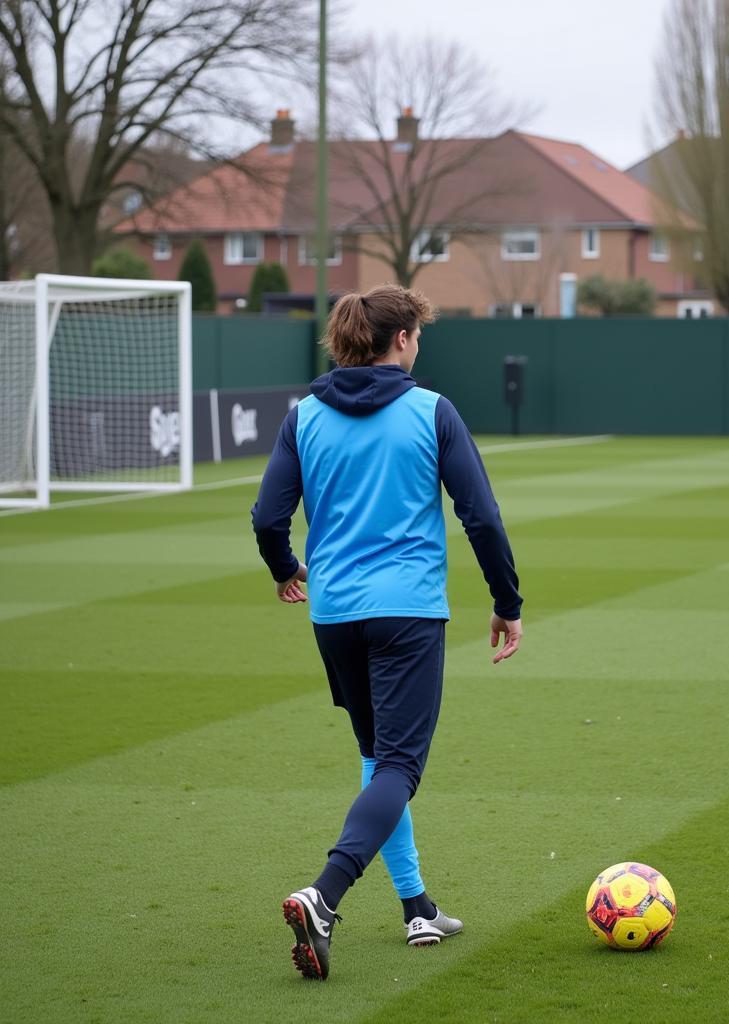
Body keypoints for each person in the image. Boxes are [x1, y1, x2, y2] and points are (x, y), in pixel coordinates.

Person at [251, 284, 523, 981]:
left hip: (334, 613)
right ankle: (324, 894)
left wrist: (285, 567)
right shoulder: (432, 411)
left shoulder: (304, 416)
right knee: (400, 767)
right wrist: (506, 600)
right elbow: (482, 517)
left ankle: (417, 909)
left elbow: (267, 516)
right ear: (401, 340)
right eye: (419, 336)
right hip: (407, 612)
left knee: (379, 761)